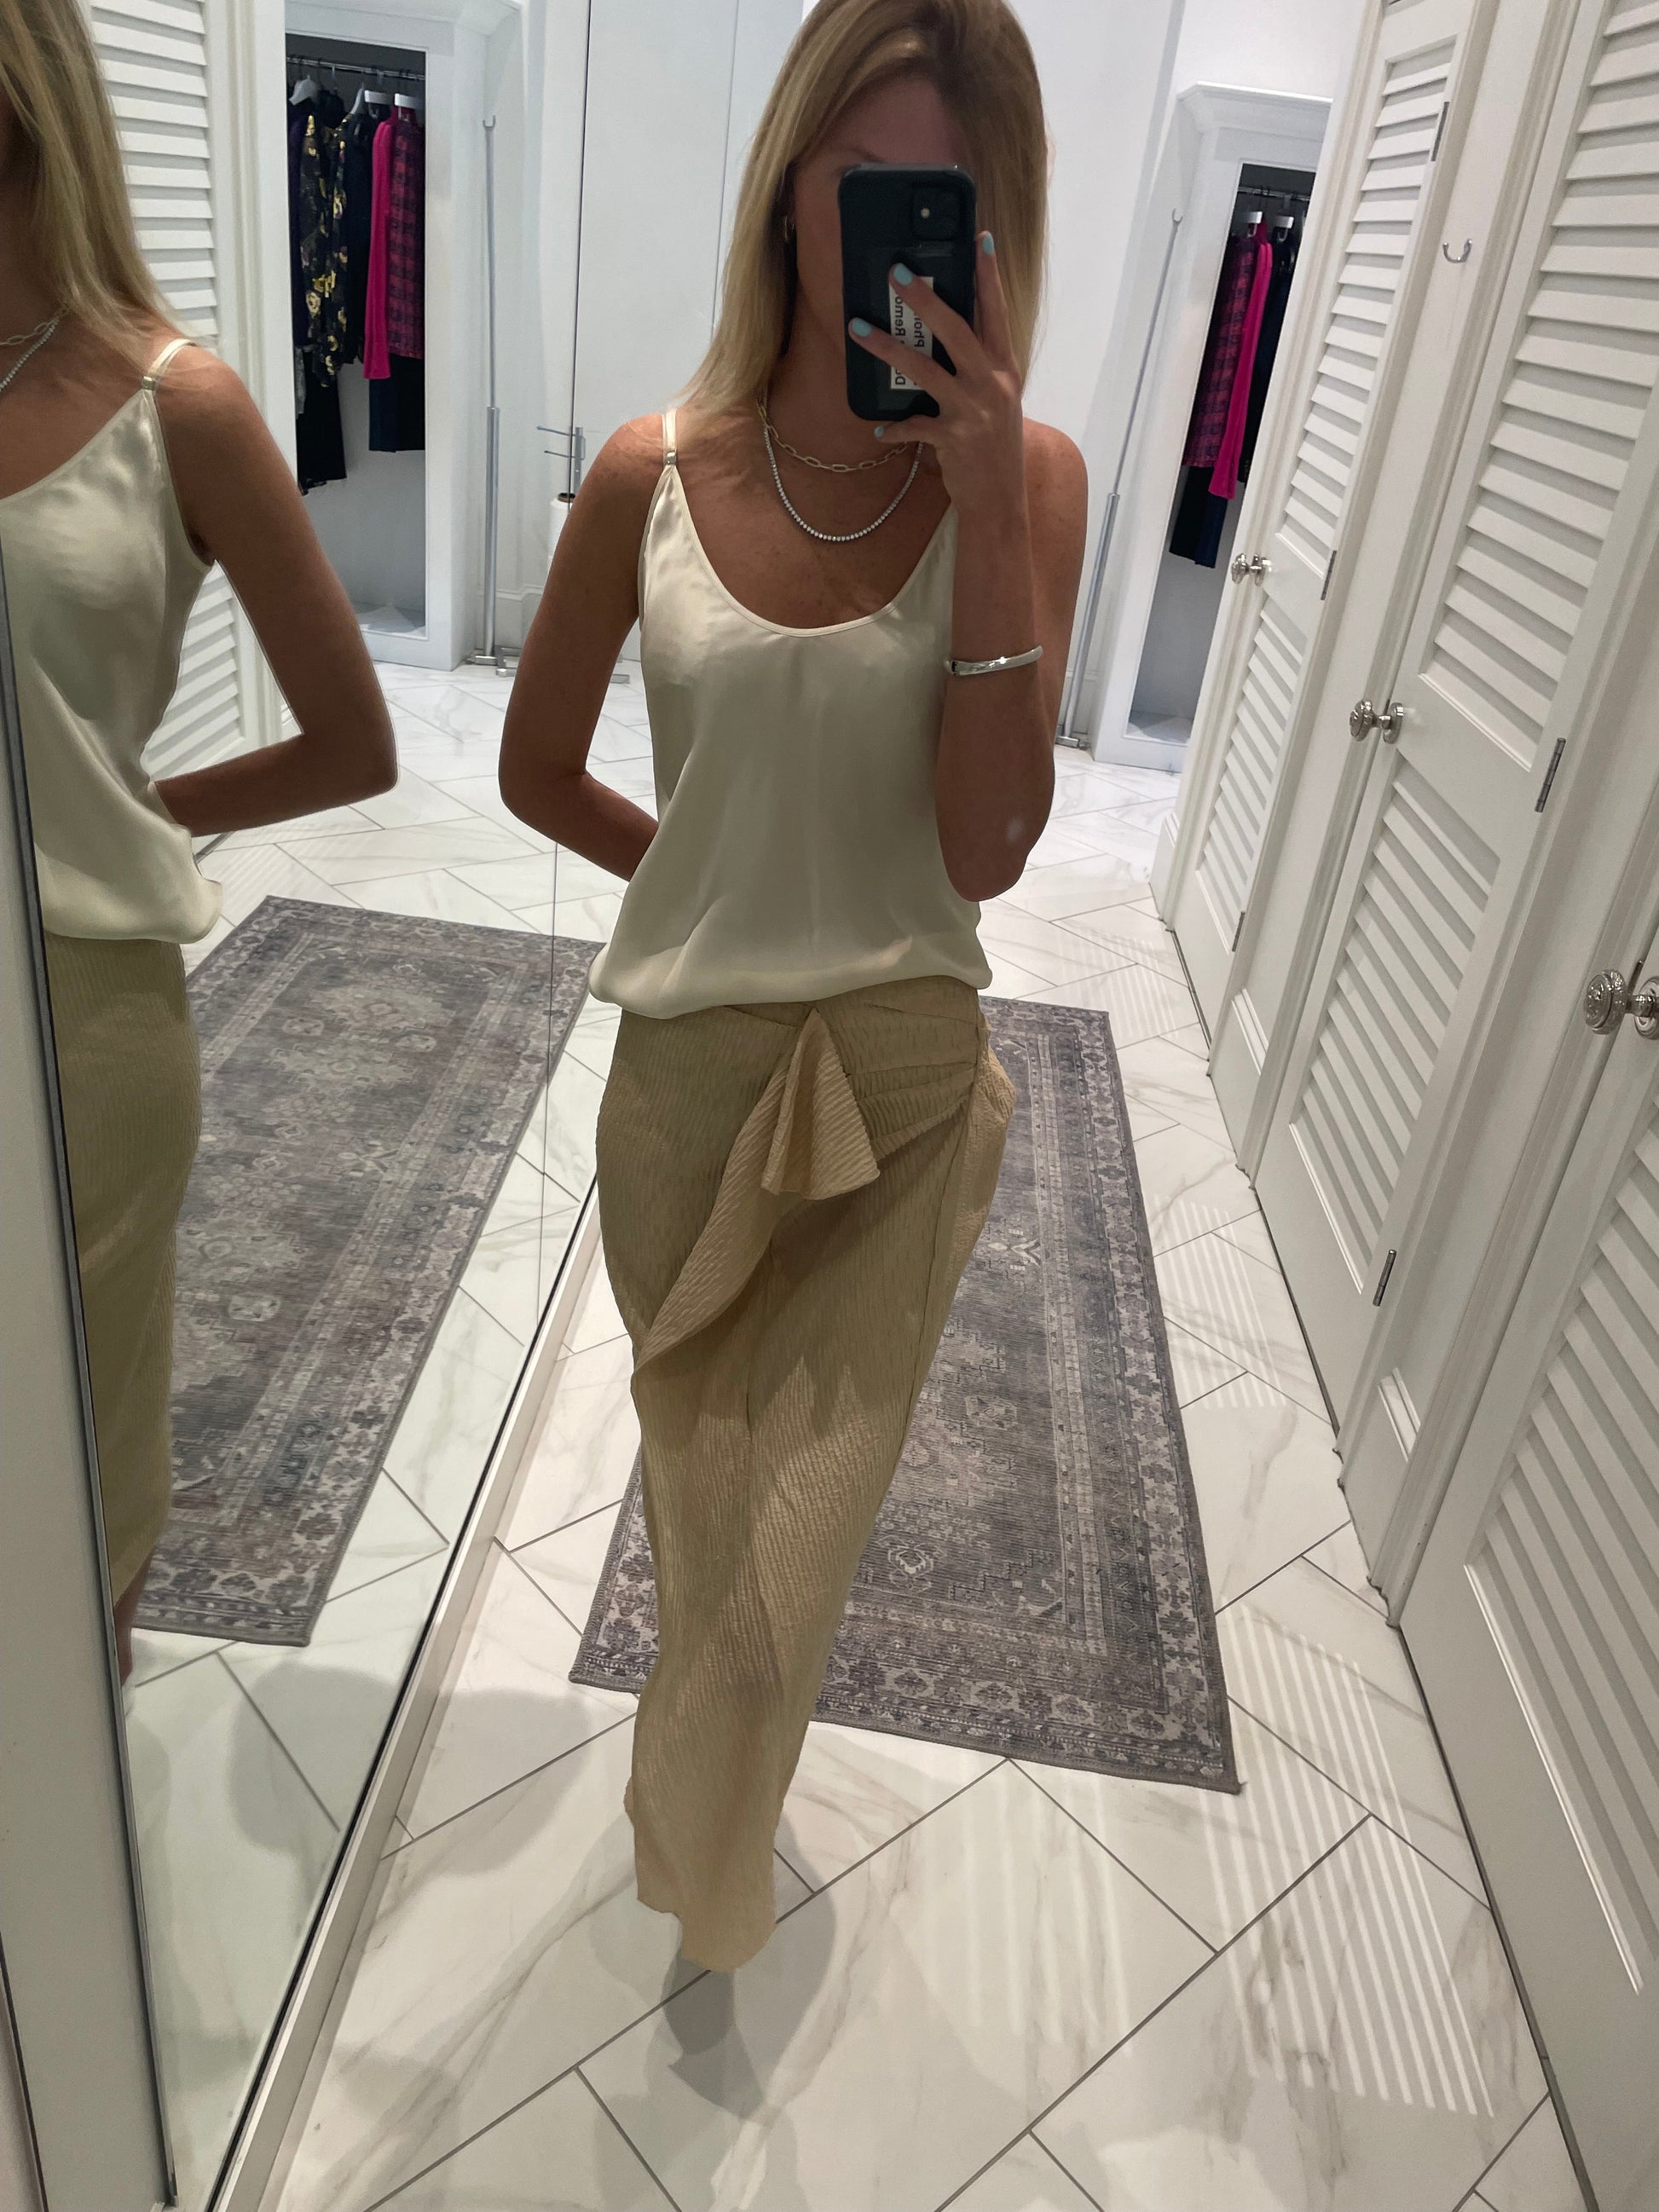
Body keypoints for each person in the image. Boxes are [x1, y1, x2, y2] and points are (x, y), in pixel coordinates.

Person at [500, 0, 1085, 1970]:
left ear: (998, 225)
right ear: (787, 194)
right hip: (684, 1088)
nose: (900, 229)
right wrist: (708, 884)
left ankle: (711, 1869)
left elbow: (988, 847)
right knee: (702, 1520)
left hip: (903, 1093)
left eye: (950, 194)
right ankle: (715, 1810)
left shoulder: (1035, 484)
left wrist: (985, 512)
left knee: (786, 1564)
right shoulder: (648, 472)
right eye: (863, 179)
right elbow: (535, 769)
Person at [0, 0, 397, 1684]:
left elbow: (352, 741)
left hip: (79, 1002)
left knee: (77, 1452)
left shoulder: (181, 406)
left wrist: (136, 807)